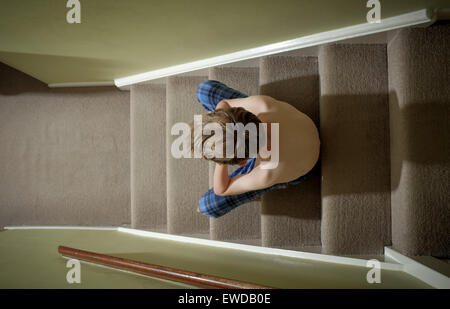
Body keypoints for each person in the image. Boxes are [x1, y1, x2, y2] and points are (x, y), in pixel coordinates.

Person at [192, 80, 320, 218]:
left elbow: (221, 189)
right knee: (204, 89)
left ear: (243, 162)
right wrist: (221, 123)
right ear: (243, 112)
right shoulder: (264, 105)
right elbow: (225, 104)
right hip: (303, 130)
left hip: (301, 167)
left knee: (208, 207)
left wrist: (220, 161)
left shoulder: (265, 172)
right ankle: (230, 127)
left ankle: (229, 136)